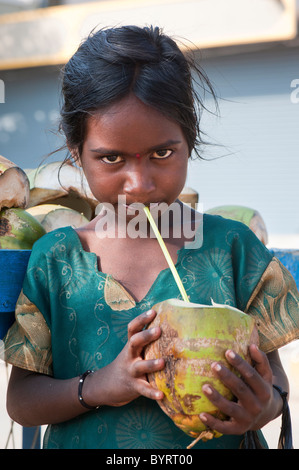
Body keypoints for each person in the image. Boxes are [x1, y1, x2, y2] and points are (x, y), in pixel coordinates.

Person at [2, 25, 299, 450]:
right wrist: (102, 385)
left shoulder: (232, 248)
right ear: (75, 150)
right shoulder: (57, 257)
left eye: (162, 153)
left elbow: (276, 386)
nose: (139, 184)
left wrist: (262, 406)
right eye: (111, 158)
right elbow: (22, 401)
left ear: (189, 138)